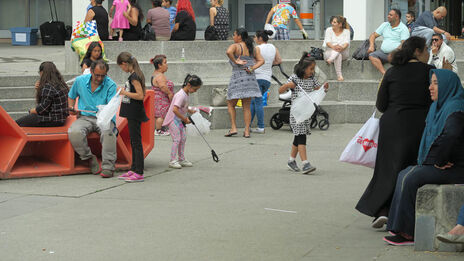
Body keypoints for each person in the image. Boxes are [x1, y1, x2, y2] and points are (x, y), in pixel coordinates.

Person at [356, 36, 435, 229]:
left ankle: (382, 210)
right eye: (426, 49)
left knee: (387, 168)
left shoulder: (392, 73)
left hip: (392, 124)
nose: (428, 53)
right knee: (411, 167)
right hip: (419, 125)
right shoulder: (430, 72)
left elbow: (381, 105)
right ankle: (405, 211)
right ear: (417, 51)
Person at [383, 69, 464, 246]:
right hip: (440, 164)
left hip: (456, 168)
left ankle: (406, 232)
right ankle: (398, 227)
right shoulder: (438, 106)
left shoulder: (455, 108)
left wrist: (440, 160)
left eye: (436, 83)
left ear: (447, 86)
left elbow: (451, 136)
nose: (430, 87)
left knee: (411, 177)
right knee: (405, 173)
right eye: (431, 82)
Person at [278, 54, 328, 174]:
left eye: (313, 69)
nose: (312, 71)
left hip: (306, 114)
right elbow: (280, 91)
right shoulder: (295, 78)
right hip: (296, 114)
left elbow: (317, 89)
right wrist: (287, 86)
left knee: (298, 136)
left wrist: (324, 88)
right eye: (311, 69)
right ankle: (305, 163)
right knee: (301, 137)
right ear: (303, 68)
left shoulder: (311, 79)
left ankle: (291, 161)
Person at [68, 60, 117, 178]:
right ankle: (88, 158)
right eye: (97, 75)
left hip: (104, 117)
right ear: (91, 71)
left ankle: (108, 166)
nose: (100, 78)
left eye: (103, 76)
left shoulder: (111, 85)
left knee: (108, 133)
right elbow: (71, 96)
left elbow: (111, 107)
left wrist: (104, 115)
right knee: (74, 132)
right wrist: (71, 107)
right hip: (85, 117)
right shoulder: (80, 81)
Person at [225, 28, 264, 138]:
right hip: (250, 79)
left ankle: (233, 127)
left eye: (234, 35)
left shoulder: (236, 46)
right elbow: (262, 60)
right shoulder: (253, 48)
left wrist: (235, 60)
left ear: (239, 36)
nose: (233, 37)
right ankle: (247, 131)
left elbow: (228, 52)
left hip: (238, 78)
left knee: (230, 103)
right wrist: (252, 68)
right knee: (246, 107)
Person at [115, 52, 148, 182]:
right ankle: (134, 168)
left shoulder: (134, 76)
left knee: (136, 142)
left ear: (124, 64)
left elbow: (140, 95)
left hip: (135, 111)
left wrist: (124, 92)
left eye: (121, 66)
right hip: (132, 111)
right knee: (134, 141)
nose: (122, 69)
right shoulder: (133, 75)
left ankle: (139, 171)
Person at [162, 74, 202, 169]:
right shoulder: (181, 95)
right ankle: (172, 160)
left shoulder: (186, 94)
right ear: (189, 85)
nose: (195, 91)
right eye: (195, 89)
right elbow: (175, 110)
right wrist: (185, 119)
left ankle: (181, 158)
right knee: (177, 139)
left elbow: (183, 106)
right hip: (173, 120)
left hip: (179, 120)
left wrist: (189, 111)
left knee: (183, 138)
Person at [16, 62, 69, 127]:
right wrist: (40, 89)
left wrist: (31, 111)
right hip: (61, 118)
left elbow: (43, 109)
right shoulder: (61, 84)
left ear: (42, 72)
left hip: (53, 120)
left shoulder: (48, 86)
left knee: (17, 123)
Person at [250, 30, 282, 134]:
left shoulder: (257, 48)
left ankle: (261, 127)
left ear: (260, 38)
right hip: (267, 79)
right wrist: (268, 65)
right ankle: (248, 124)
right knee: (254, 102)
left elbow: (252, 62)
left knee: (257, 102)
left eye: (255, 37)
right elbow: (278, 61)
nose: (254, 39)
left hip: (257, 78)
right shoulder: (273, 47)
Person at [368, 9, 409, 75]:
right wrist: (371, 45)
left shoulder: (403, 28)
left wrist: (394, 52)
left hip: (396, 54)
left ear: (397, 17)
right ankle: (384, 73)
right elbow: (373, 35)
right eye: (388, 14)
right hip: (383, 53)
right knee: (372, 55)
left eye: (390, 15)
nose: (388, 16)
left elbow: (404, 44)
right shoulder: (385, 25)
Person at [151, 54, 174, 136]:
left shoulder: (156, 74)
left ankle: (160, 129)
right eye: (165, 63)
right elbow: (163, 86)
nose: (167, 65)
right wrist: (169, 93)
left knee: (159, 115)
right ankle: (159, 130)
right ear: (159, 65)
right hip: (161, 99)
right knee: (161, 115)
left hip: (158, 98)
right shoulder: (160, 76)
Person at [323, 16, 350, 81]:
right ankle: (339, 76)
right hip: (329, 52)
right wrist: (334, 47)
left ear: (340, 24)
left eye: (334, 22)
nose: (332, 23)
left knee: (338, 53)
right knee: (338, 55)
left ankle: (331, 59)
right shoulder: (329, 30)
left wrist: (341, 47)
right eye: (332, 22)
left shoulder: (346, 31)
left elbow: (346, 43)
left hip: (343, 52)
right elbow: (327, 42)